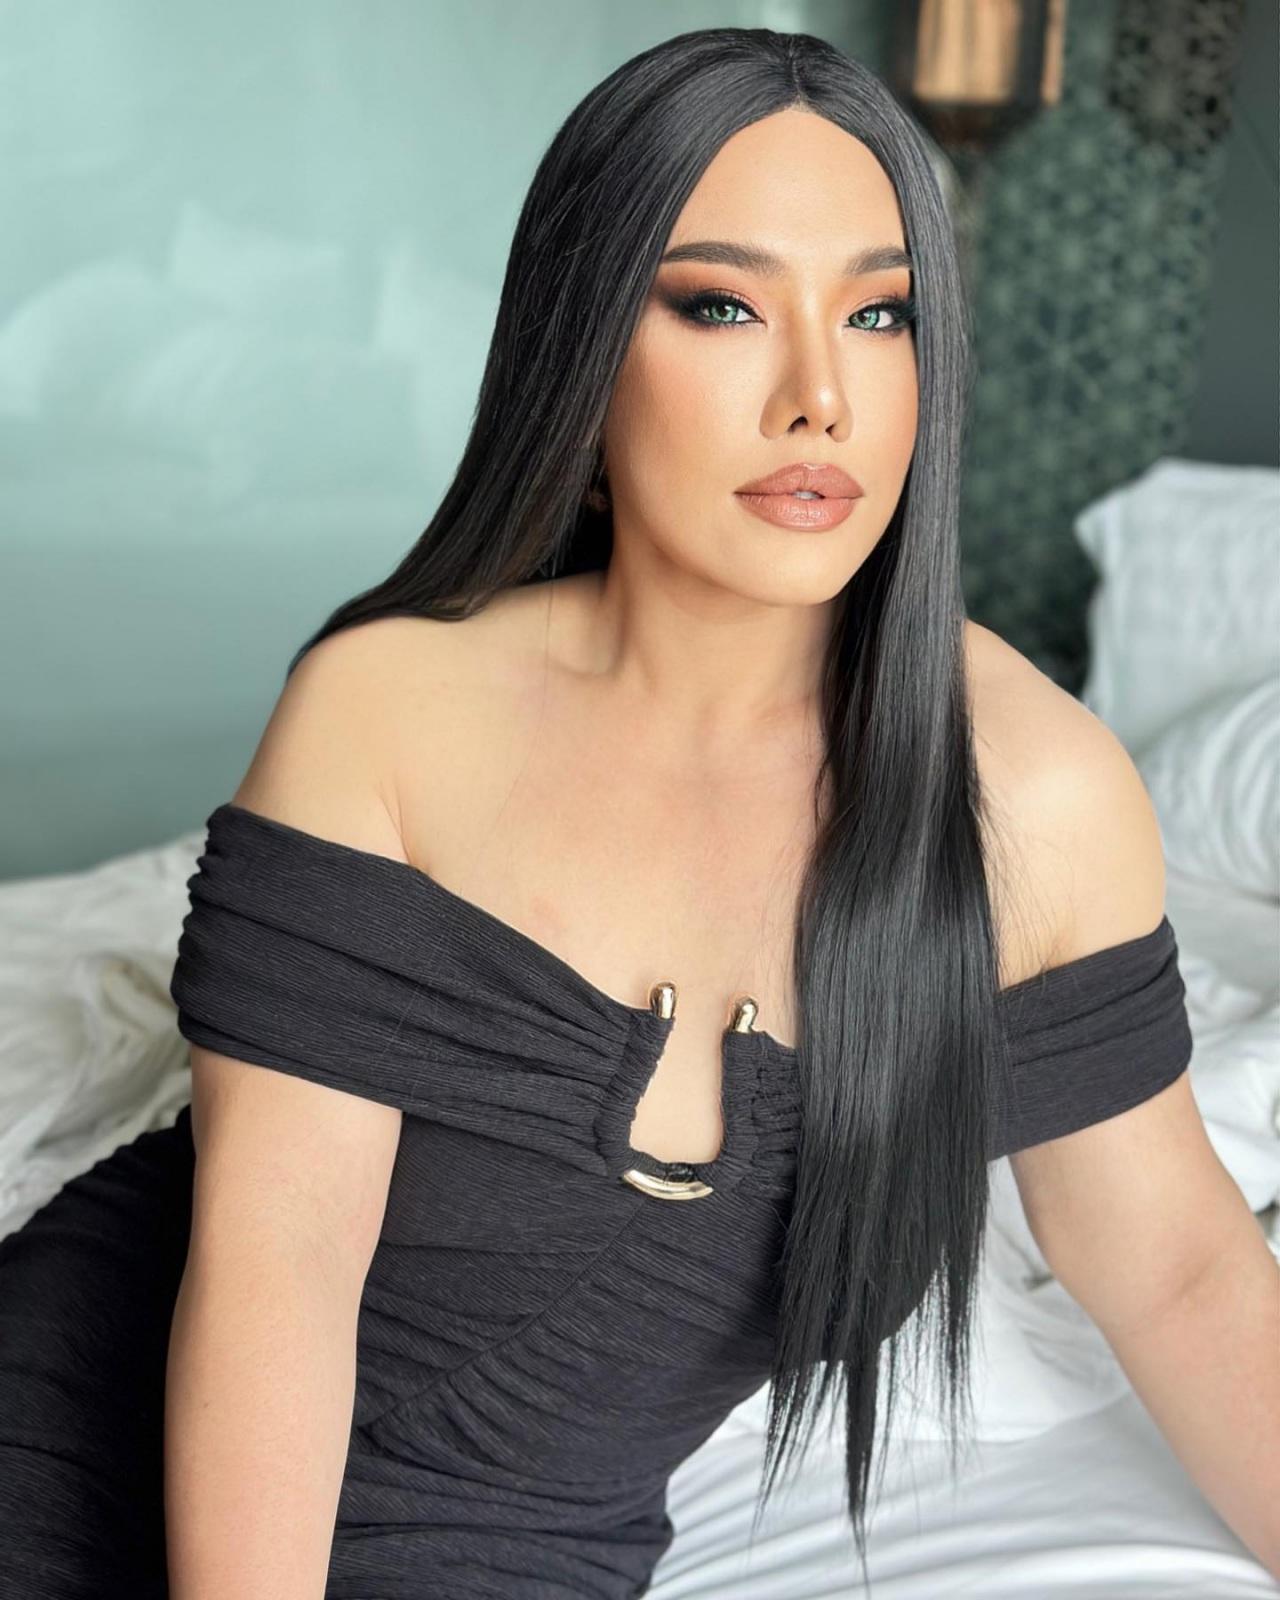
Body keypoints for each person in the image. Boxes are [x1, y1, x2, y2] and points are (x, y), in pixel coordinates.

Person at [1, 25, 1273, 1600]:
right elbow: (282, 1276)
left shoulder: (1037, 793)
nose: (820, 397)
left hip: (515, 1541)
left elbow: (1183, 1271)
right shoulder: (386, 709)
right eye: (725, 305)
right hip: (106, 1431)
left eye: (880, 312)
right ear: (588, 343)